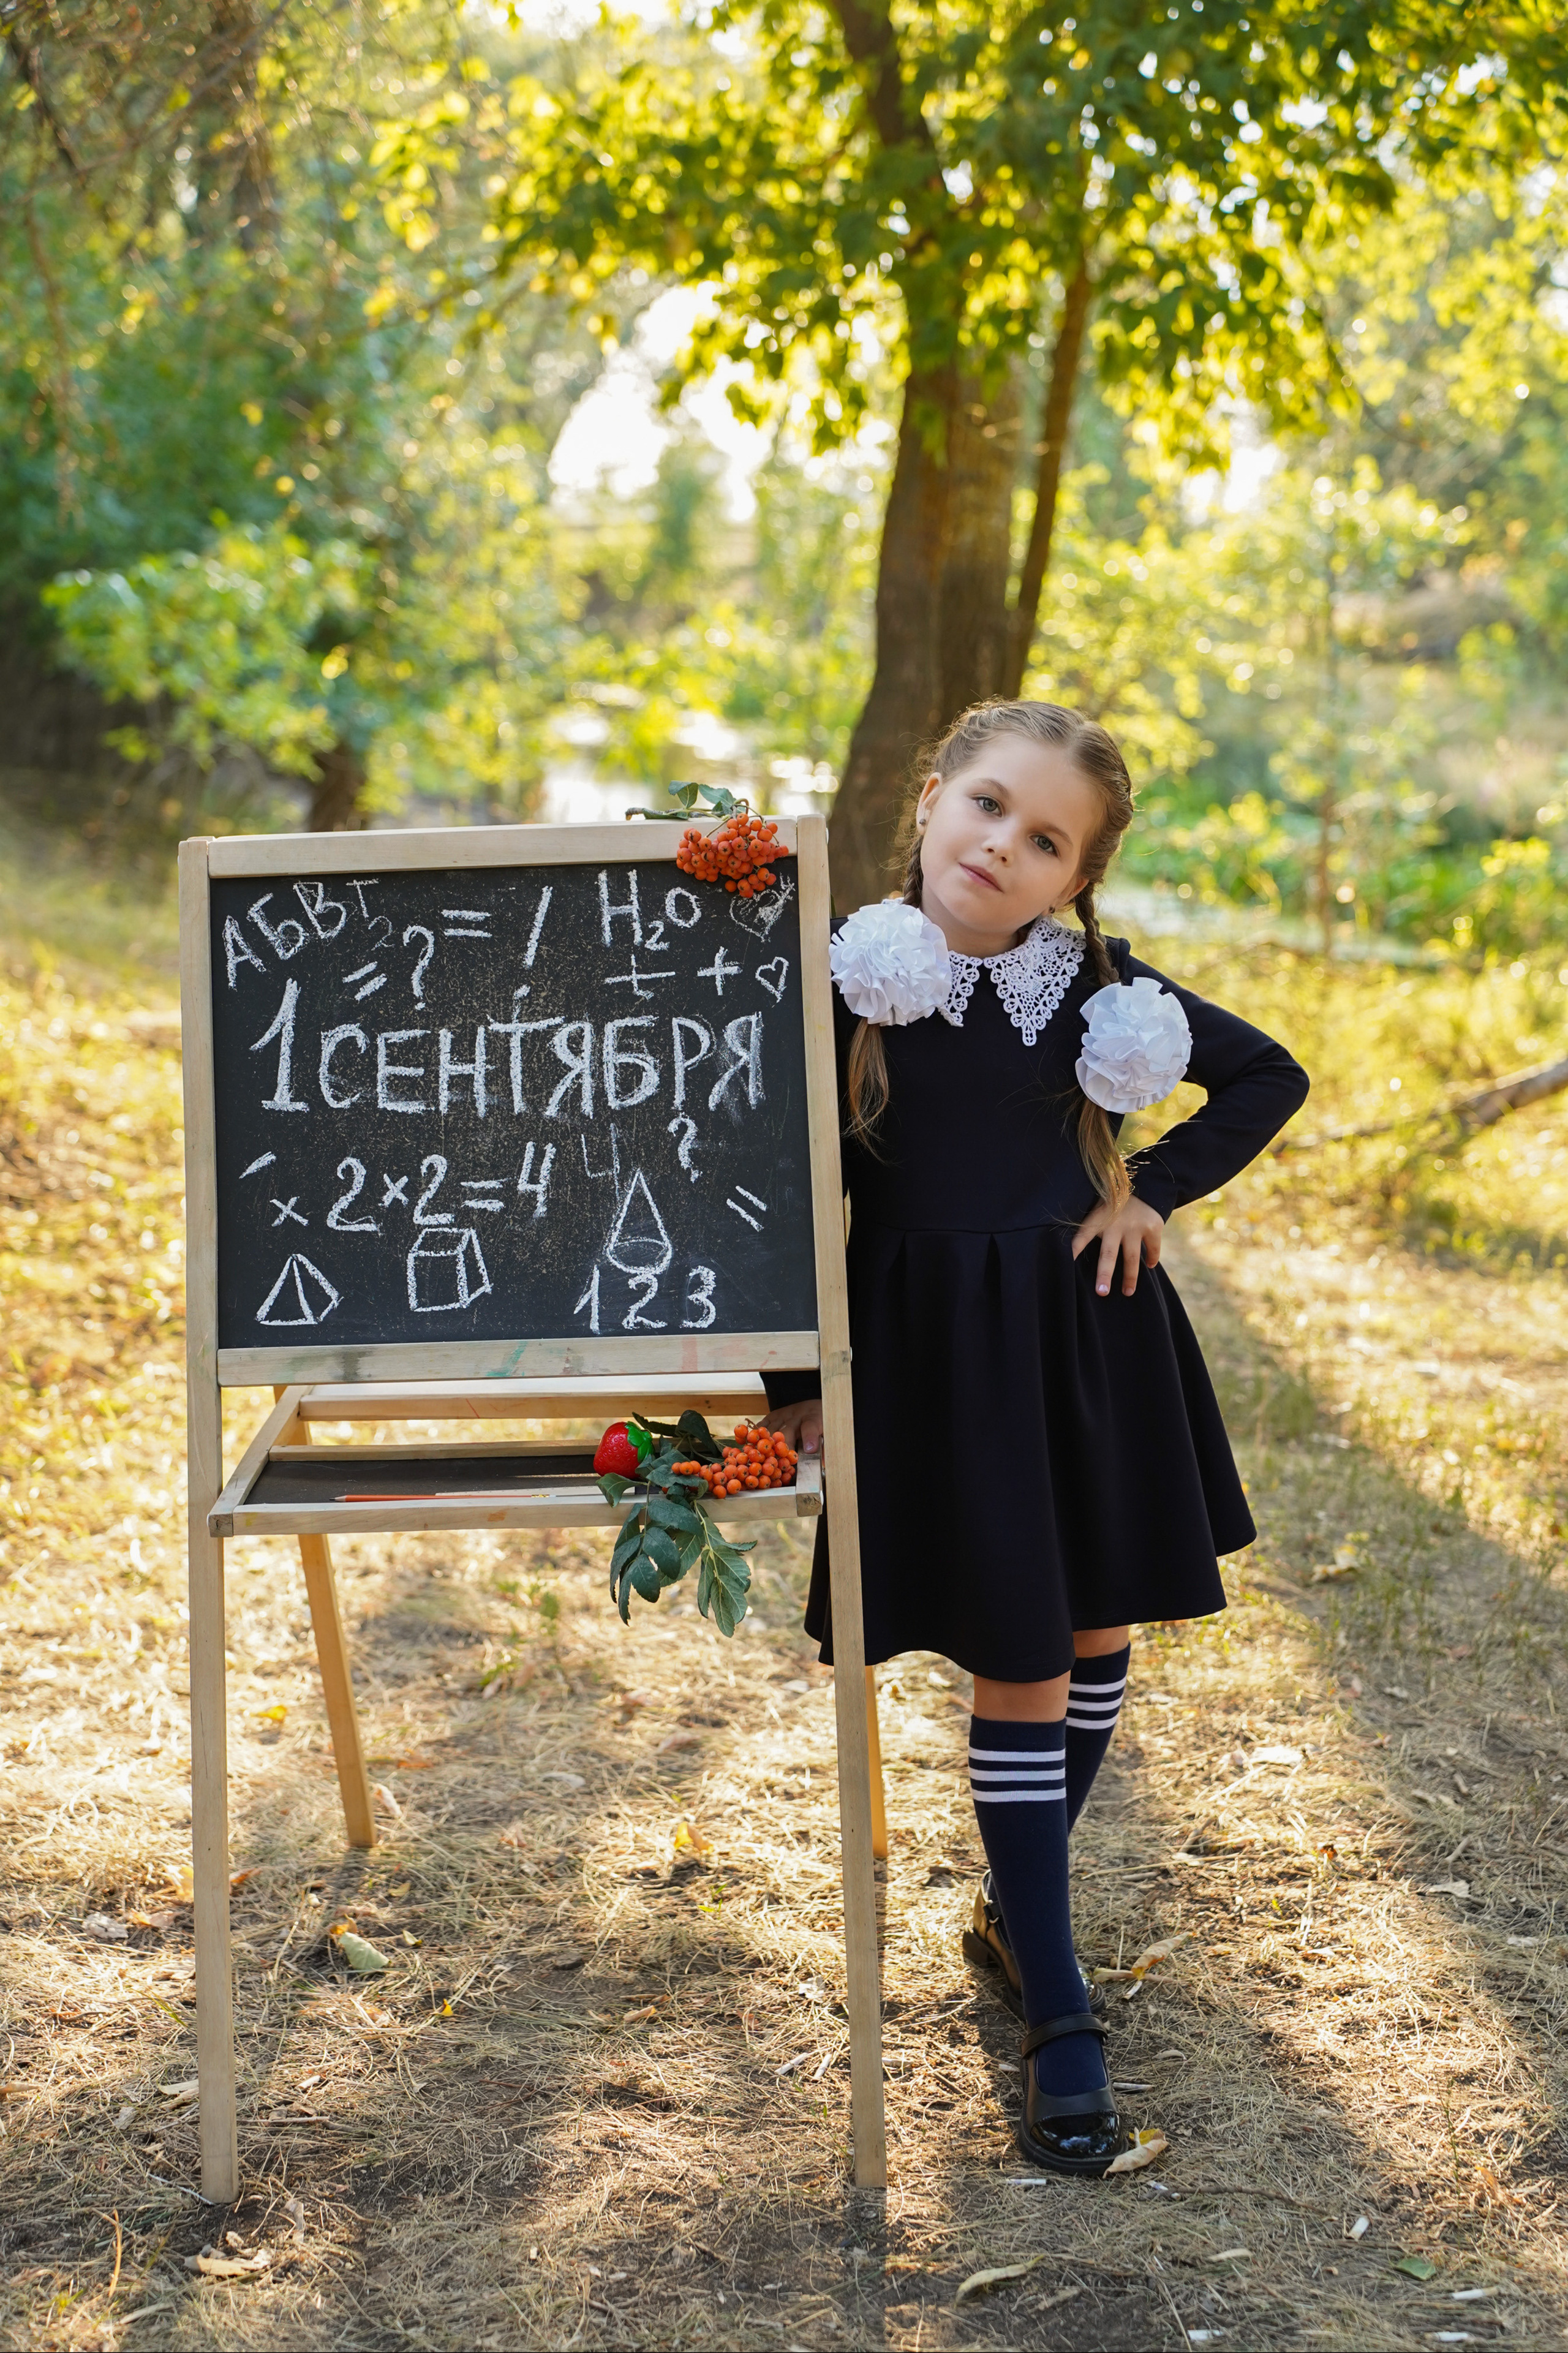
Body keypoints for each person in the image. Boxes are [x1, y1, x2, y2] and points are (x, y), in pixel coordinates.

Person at [762, 699, 1309, 2175]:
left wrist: (1153, 1190)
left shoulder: (1100, 992)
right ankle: (1059, 2013)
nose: (1003, 844)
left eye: (1045, 838)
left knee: (1089, 1631)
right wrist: (787, 1385)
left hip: (1080, 1342)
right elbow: (755, 1190)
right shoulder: (844, 980)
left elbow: (1265, 1075)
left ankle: (1018, 1909)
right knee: (1020, 1654)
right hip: (933, 1357)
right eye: (987, 807)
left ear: (1075, 878)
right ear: (933, 799)